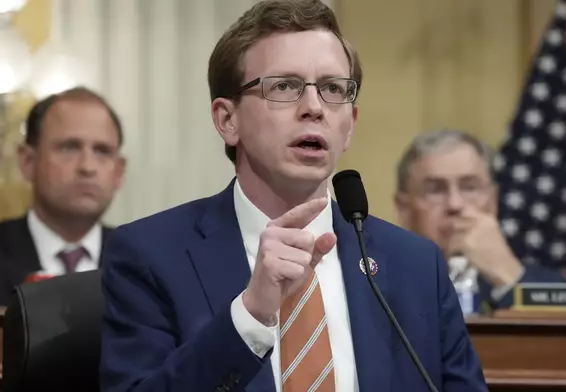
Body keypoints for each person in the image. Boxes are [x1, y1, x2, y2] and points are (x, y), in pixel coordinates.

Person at [99, 1, 487, 391]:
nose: (314, 108)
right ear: (227, 120)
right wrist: (249, 317)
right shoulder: (150, 258)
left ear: (349, 126)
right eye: (285, 86)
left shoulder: (416, 267)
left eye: (333, 89)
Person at [0, 87, 126, 306]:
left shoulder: (145, 265)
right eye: (69, 148)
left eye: (102, 151)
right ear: (28, 162)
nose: (88, 167)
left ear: (119, 172)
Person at [394, 129, 565, 311]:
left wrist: (507, 276)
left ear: (493, 201)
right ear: (404, 209)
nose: (454, 204)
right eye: (435, 190)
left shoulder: (551, 287)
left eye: (469, 187)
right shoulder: (376, 286)